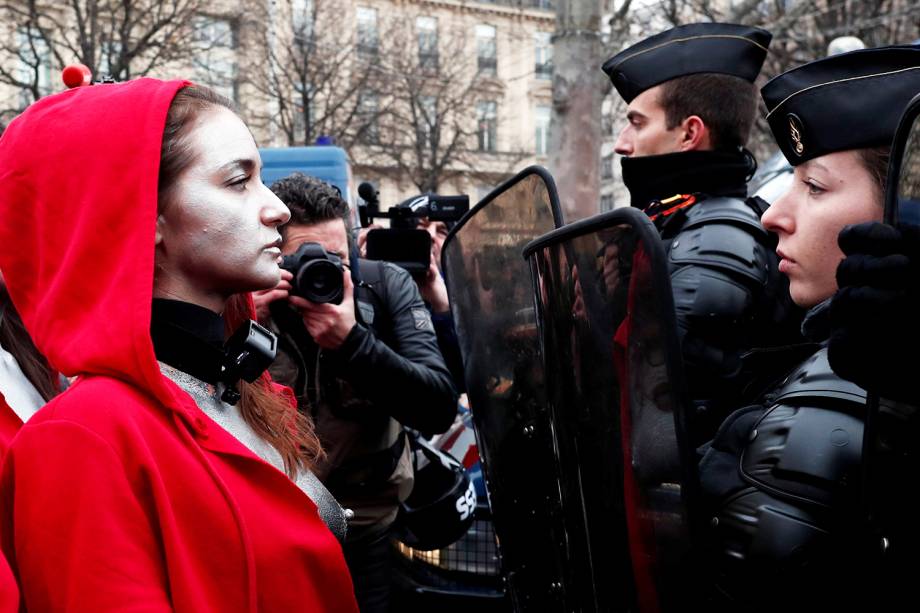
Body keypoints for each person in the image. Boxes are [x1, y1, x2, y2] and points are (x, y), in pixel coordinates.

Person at [0, 79, 358, 611]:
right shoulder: (80, 437)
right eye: (239, 181)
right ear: (146, 216)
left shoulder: (234, 383)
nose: (278, 209)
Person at [698, 46, 920, 609]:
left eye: (815, 186)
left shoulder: (884, 375)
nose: (773, 214)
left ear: (901, 209)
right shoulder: (804, 340)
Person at [253, 173, 457, 612]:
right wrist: (240, 325)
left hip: (364, 526)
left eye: (335, 259)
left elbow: (439, 406)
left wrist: (353, 344)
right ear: (271, 255)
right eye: (302, 259)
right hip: (269, 532)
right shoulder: (244, 291)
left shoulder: (385, 286)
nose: (321, 272)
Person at [602, 23, 803, 441]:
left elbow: (654, 412)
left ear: (690, 133)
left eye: (636, 124)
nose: (622, 144)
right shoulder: (678, 223)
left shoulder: (717, 238)